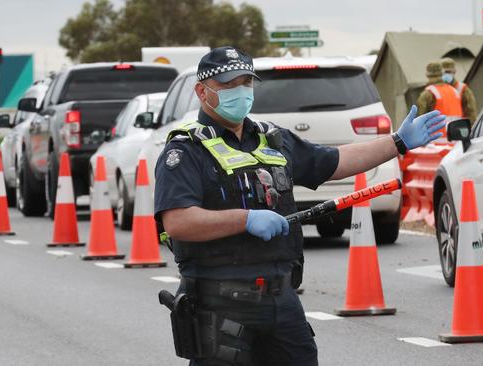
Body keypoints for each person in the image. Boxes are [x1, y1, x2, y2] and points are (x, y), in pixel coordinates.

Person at [154, 46, 446, 366]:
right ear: (202, 91)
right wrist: (245, 219)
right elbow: (179, 222)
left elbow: (335, 162)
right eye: (228, 85)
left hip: (281, 301)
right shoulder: (186, 151)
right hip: (218, 306)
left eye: (246, 84)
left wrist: (397, 143)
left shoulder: (273, 139)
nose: (240, 92)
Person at [416, 61, 462, 135]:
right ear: (442, 73)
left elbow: (420, 122)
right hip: (456, 141)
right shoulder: (455, 91)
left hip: (436, 143)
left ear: (427, 75)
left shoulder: (428, 93)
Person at [440, 57, 478, 124]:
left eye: (449, 72)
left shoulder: (462, 88)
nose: (446, 74)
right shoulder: (436, 89)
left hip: (458, 127)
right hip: (441, 127)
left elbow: (471, 112)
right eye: (445, 72)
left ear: (454, 71)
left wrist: (469, 127)